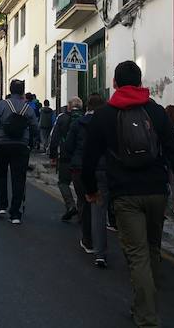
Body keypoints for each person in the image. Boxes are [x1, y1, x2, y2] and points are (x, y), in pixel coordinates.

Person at [81, 61, 174, 328]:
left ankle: (147, 317)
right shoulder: (156, 111)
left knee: (137, 254)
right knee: (152, 249)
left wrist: (91, 190)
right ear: (141, 83)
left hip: (125, 194)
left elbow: (89, 157)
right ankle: (144, 305)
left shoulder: (104, 115)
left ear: (115, 84)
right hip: (156, 191)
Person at [62, 93, 107, 266]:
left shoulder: (77, 123)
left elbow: (68, 147)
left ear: (87, 107)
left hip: (79, 168)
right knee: (99, 208)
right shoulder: (106, 123)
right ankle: (100, 248)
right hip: (101, 168)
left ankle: (87, 240)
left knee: (83, 202)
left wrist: (68, 160)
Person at [0, 80, 38, 224]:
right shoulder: (27, 108)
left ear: (10, 90)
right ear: (22, 91)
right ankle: (15, 214)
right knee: (19, 178)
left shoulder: (1, 104)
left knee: (0, 174)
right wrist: (31, 141)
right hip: (21, 145)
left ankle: (1, 205)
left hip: (2, 144)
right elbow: (35, 127)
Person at [49, 97, 84, 222]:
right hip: (82, 157)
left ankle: (70, 205)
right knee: (81, 186)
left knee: (63, 182)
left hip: (66, 155)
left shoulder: (62, 118)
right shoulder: (86, 118)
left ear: (69, 106)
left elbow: (54, 138)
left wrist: (52, 155)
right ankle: (82, 214)